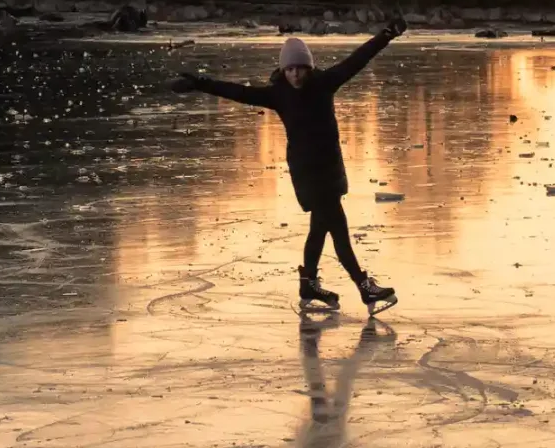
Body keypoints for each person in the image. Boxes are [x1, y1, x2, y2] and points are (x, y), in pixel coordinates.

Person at [170, 18, 406, 313]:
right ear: (284, 70)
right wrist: (198, 83)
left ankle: (308, 284)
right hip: (307, 172)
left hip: (330, 168)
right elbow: (237, 91)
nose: (295, 74)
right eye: (290, 69)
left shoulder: (324, 84)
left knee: (319, 229)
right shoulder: (278, 94)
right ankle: (364, 286)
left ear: (308, 68)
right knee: (338, 229)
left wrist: (386, 35)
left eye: (300, 68)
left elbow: (356, 60)